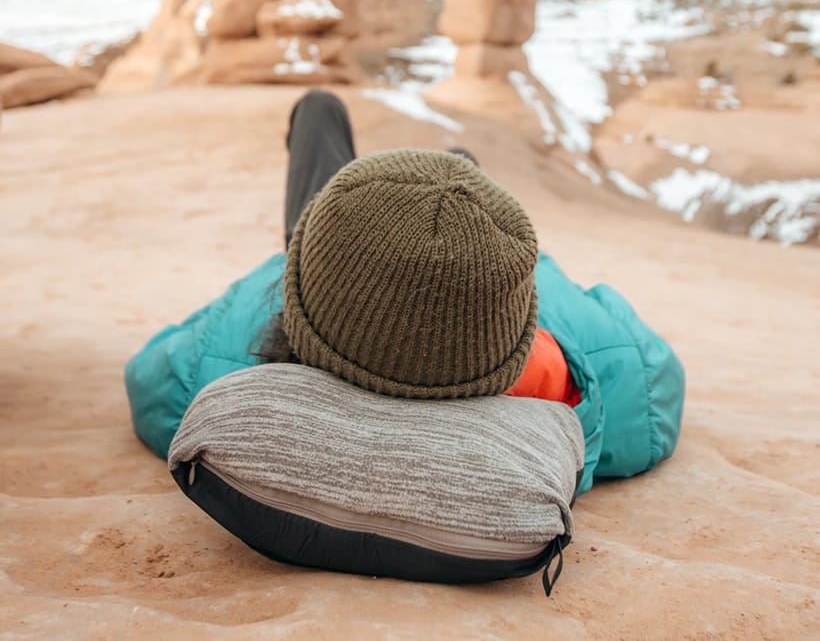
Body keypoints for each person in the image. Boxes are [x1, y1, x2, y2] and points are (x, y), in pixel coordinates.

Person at [125, 89, 685, 494]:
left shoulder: (227, 358)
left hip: (334, 283)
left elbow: (150, 375)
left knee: (320, 109)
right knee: (459, 175)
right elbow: (653, 373)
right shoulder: (576, 370)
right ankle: (455, 181)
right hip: (431, 294)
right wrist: (545, 282)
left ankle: (347, 191)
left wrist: (286, 268)